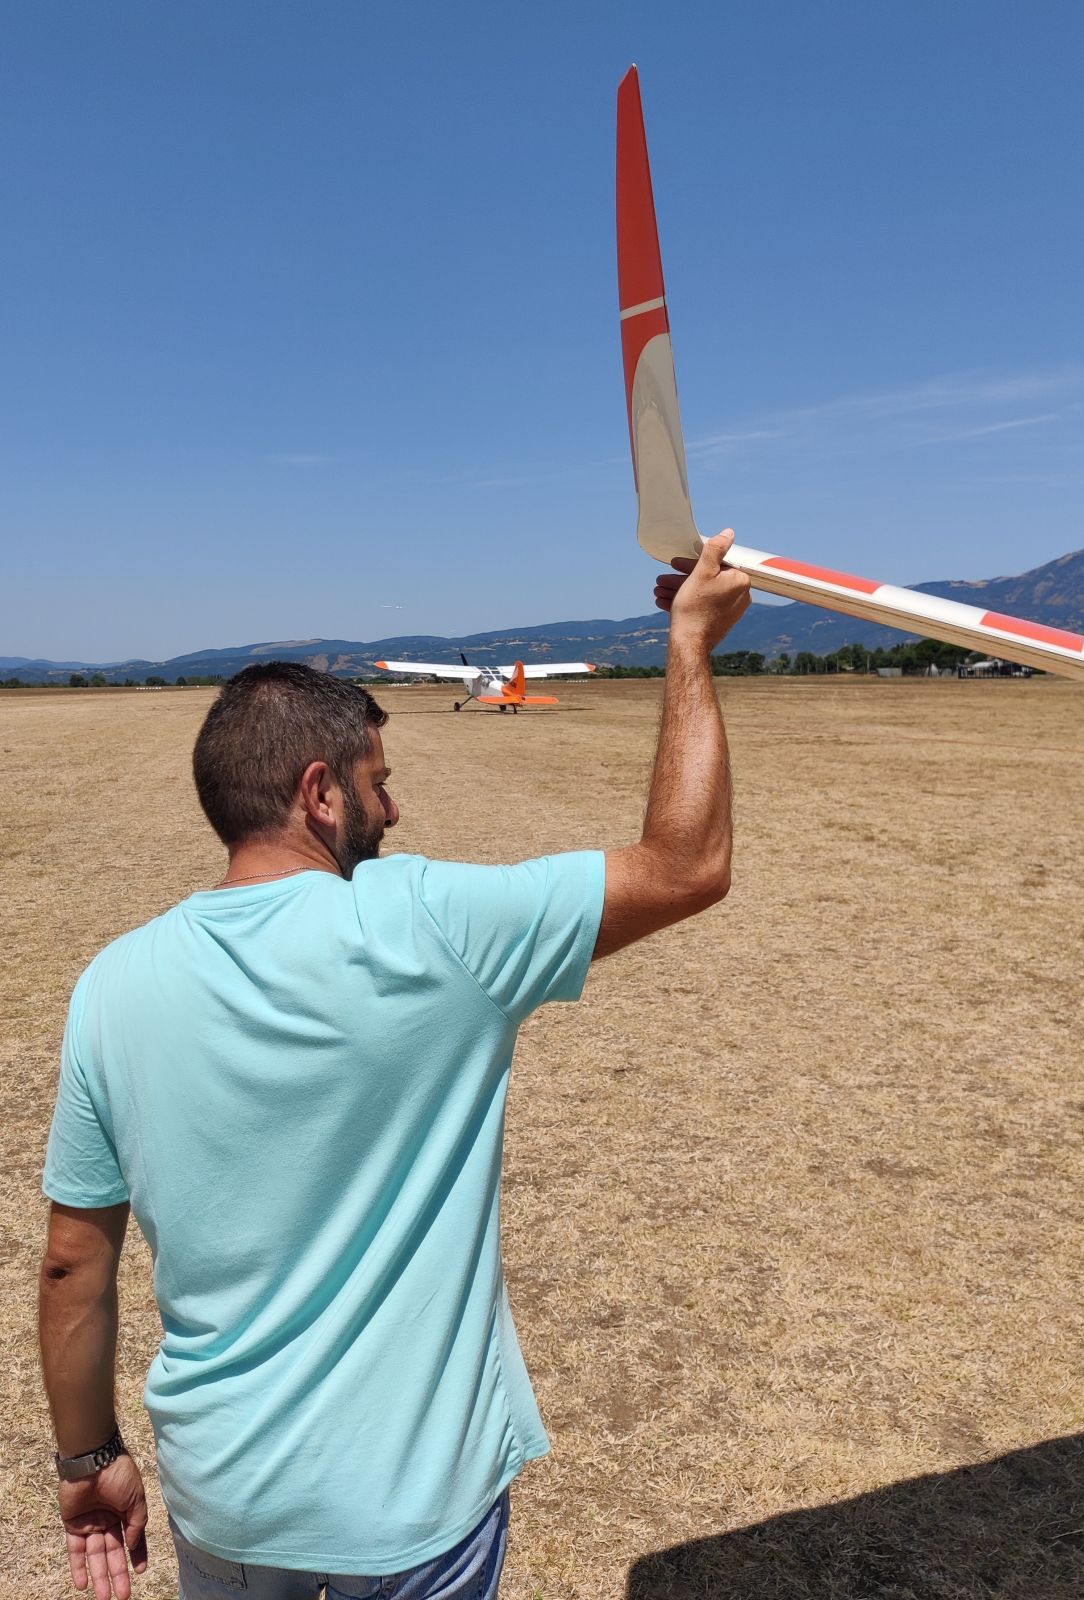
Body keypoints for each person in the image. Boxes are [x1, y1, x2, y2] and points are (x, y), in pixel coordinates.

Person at [38, 533, 750, 1600]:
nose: (396, 810)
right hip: (417, 1500)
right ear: (320, 794)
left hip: (225, 1492)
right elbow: (686, 864)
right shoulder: (431, 922)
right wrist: (688, 644)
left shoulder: (110, 983)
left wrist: (87, 1457)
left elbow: (72, 1264)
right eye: (381, 783)